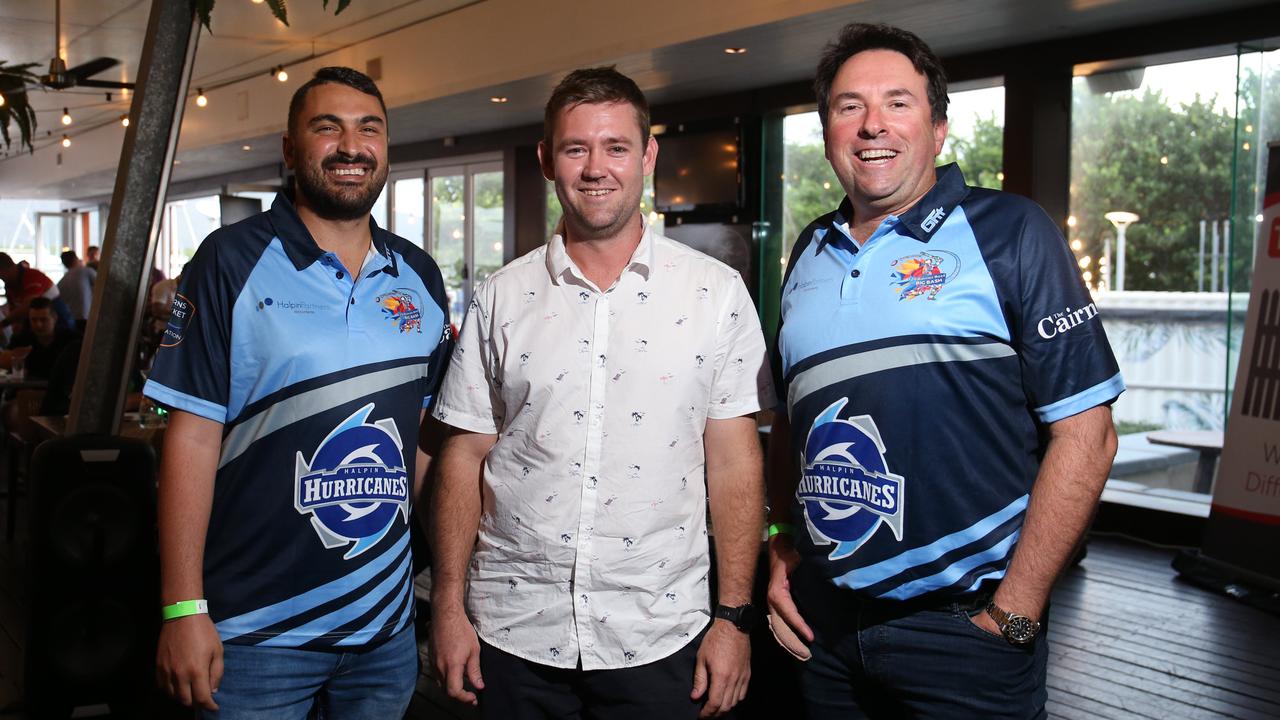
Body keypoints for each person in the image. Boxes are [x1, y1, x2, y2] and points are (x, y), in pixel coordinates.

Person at [765, 23, 1124, 719]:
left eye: (898, 103)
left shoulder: (1012, 232)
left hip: (964, 633)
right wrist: (782, 543)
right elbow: (791, 420)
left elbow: (1089, 435)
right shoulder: (810, 250)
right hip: (823, 628)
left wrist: (1015, 612)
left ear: (938, 128)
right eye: (849, 107)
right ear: (828, 131)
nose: (873, 125)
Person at [429, 67, 774, 719]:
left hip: (662, 633)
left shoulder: (715, 293)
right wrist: (447, 606)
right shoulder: (501, 296)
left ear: (647, 156)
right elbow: (463, 456)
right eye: (575, 148)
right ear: (546, 160)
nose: (596, 168)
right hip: (512, 631)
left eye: (616, 147)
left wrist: (734, 618)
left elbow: (734, 465)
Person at [144, 66, 453, 718]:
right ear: (290, 149)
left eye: (368, 129)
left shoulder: (418, 274)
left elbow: (425, 448)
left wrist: (450, 594)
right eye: (327, 128)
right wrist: (182, 607)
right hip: (254, 632)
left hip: (384, 630)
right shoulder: (230, 260)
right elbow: (192, 439)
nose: (351, 146)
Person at [1, 297, 74, 379]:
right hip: (26, 388)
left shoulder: (70, 340)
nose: (38, 324)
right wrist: (13, 359)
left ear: (54, 318)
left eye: (43, 320)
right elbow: (4, 365)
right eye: (34, 320)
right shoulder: (20, 340)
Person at [0, 253, 74, 332]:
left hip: (59, 325)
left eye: (1, 274)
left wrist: (3, 324)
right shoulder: (10, 284)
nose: (1, 278)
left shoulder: (32, 276)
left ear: (8, 268)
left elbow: (28, 305)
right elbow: (14, 308)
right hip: (36, 327)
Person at [57, 249, 97, 329]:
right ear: (75, 259)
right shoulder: (86, 271)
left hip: (72, 319)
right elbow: (102, 286)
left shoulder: (61, 282)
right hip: (87, 316)